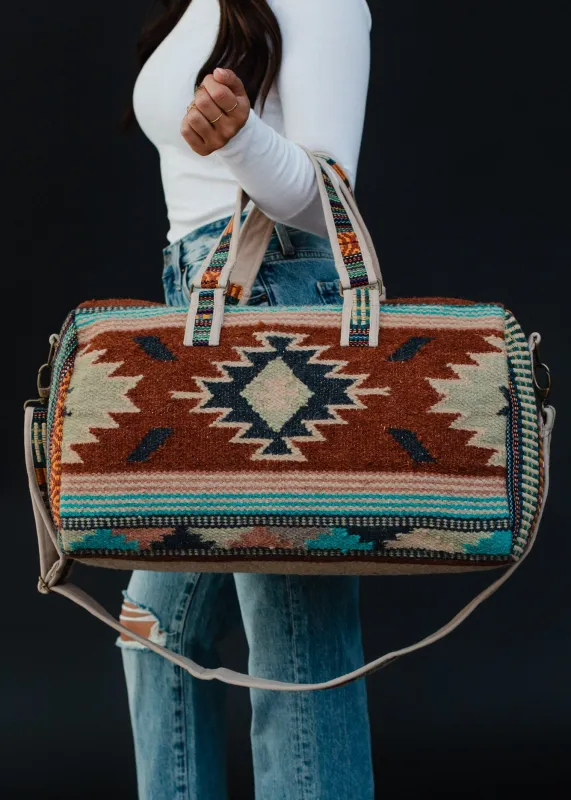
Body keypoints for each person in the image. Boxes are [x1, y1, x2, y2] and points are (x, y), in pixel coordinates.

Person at [118, 1, 374, 797]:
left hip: (278, 313)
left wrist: (239, 140)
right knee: (154, 631)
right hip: (202, 305)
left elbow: (325, 200)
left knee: (295, 645)